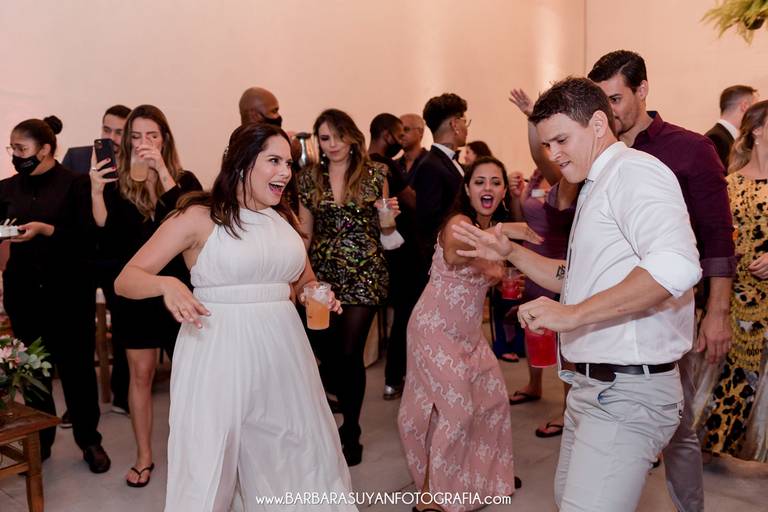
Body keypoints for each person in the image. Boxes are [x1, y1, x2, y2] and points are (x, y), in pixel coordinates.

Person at [453, 77, 702, 511]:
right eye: (547, 144)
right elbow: (578, 278)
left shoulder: (635, 173)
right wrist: (511, 252)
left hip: (627, 391)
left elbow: (677, 266)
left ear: (599, 124)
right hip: (593, 387)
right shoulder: (595, 182)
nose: (553, 154)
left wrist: (572, 315)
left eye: (562, 140)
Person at [114, 123, 355, 511]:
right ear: (242, 163)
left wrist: (316, 293)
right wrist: (167, 285)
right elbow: (127, 279)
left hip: (283, 352)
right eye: (273, 161)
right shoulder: (198, 216)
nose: (285, 172)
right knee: (212, 458)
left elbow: (302, 280)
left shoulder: (284, 219)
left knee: (293, 449)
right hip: (218, 350)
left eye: (288, 163)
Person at [589, 50, 735, 512]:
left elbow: (718, 237)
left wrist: (717, 312)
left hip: (668, 311)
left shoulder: (691, 149)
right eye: (602, 103)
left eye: (616, 99)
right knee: (602, 413)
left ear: (643, 89)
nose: (610, 112)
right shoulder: (598, 151)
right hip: (607, 310)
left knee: (677, 426)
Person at [399, 156, 535, 512]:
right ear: (468, 189)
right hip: (434, 330)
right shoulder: (459, 223)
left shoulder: (495, 230)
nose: (487, 188)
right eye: (479, 182)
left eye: (495, 182)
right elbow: (454, 253)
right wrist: (503, 235)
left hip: (469, 335)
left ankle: (488, 476)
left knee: (493, 401)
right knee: (456, 411)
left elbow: (493, 270)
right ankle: (431, 496)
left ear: (502, 191)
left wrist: (504, 254)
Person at [89, 104, 202, 487]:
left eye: (151, 135)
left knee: (190, 376)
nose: (143, 143)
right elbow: (107, 236)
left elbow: (191, 219)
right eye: (135, 136)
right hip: (137, 295)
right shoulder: (119, 183)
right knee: (140, 374)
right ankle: (144, 456)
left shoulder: (184, 180)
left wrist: (162, 172)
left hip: (179, 292)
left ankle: (195, 453)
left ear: (164, 138)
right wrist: (96, 191)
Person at [1, 116, 110, 472]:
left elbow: (88, 238)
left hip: (69, 293)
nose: (15, 155)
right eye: (12, 148)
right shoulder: (6, 189)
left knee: (77, 369)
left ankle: (89, 440)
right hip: (23, 292)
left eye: (22, 149)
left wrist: (47, 230)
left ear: (46, 149)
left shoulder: (75, 185)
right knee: (33, 371)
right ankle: (41, 442)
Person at [298, 108, 396, 466]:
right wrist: (297, 273)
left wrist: (389, 218)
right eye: (325, 138)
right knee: (327, 352)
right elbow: (305, 233)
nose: (333, 144)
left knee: (350, 352)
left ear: (352, 137)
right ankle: (334, 408)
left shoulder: (376, 174)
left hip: (365, 273)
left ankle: (351, 430)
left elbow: (386, 230)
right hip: (323, 276)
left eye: (339, 136)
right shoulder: (308, 179)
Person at [693, 100, 768, 462]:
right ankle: (714, 441)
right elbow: (715, 239)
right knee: (730, 374)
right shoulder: (729, 184)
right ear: (758, 130)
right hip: (736, 298)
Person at [503, 89, 579, 441]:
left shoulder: (568, 180)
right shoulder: (535, 178)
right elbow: (524, 218)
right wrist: (514, 195)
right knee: (532, 326)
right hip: (532, 261)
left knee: (564, 341)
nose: (550, 148)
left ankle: (567, 409)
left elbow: (538, 151)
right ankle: (534, 384)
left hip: (559, 264)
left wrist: (531, 116)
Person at [61, 104, 132, 420]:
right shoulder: (77, 158)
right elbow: (64, 205)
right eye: (107, 129)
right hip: (80, 256)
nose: (112, 137)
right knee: (78, 335)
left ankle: (123, 394)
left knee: (126, 327)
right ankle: (79, 407)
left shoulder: (133, 162)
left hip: (118, 257)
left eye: (119, 132)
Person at [368, 112, 417, 400]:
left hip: (377, 251)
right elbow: (411, 199)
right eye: (399, 135)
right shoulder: (386, 166)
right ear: (386, 134)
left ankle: (393, 378)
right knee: (405, 313)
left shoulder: (361, 165)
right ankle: (395, 377)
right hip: (399, 250)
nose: (402, 140)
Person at [411, 93, 470, 293]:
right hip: (445, 266)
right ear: (455, 124)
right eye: (465, 121)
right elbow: (429, 223)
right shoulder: (431, 166)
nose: (466, 128)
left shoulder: (448, 163)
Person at [62, 104, 131, 174]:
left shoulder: (135, 163)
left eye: (119, 133)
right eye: (107, 130)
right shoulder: (75, 158)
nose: (111, 138)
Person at [705, 85, 758, 169]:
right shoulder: (715, 138)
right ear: (745, 106)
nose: (757, 114)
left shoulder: (731, 136)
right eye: (755, 108)